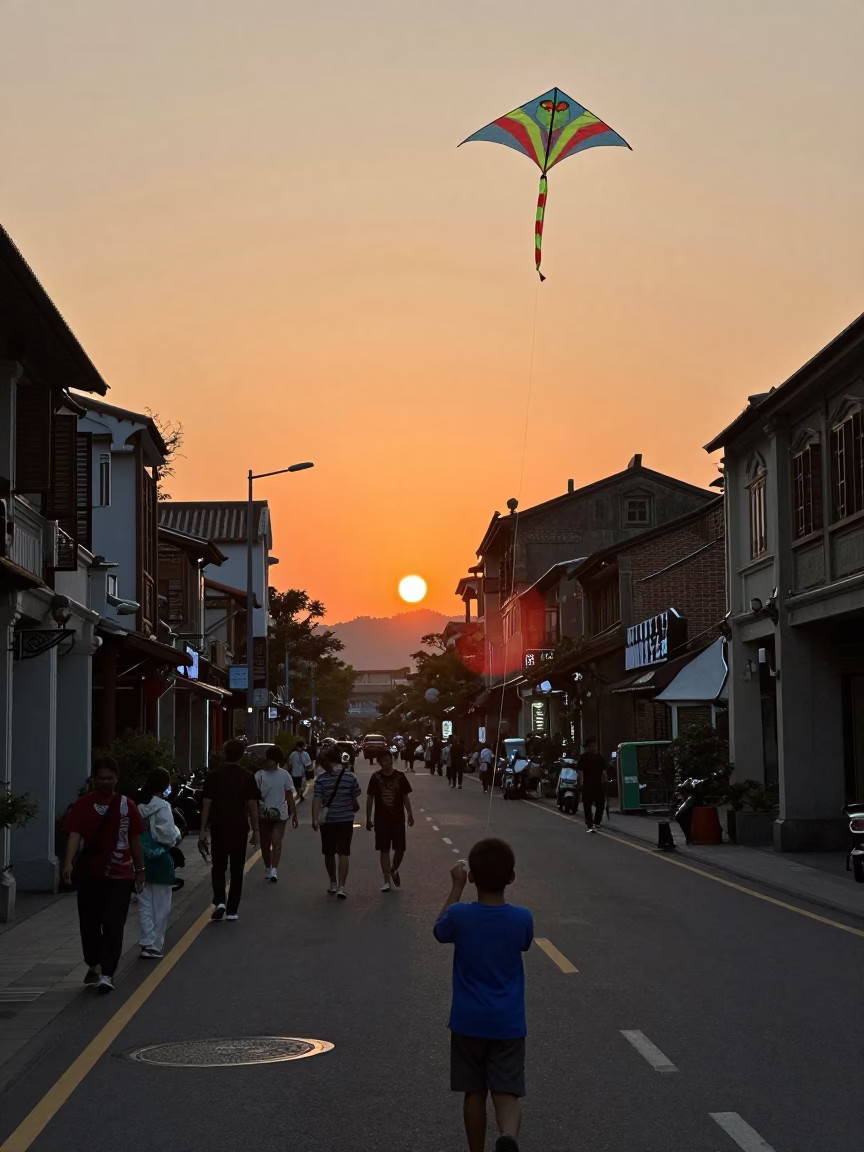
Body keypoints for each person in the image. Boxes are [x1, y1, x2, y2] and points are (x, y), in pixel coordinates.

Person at [433, 839, 533, 1152]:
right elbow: (524, 943)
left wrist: (457, 886)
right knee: (507, 1092)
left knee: (473, 1092)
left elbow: (439, 930)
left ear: (472, 876)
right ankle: (508, 1138)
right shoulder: (522, 918)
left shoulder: (460, 915)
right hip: (508, 1022)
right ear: (512, 877)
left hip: (468, 1021)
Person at [61, 757, 146, 994]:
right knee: (89, 924)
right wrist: (67, 863)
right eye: (101, 778)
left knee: (113, 923)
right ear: (94, 779)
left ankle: (108, 972)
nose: (105, 782)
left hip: (119, 874)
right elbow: (74, 835)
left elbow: (135, 840)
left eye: (109, 777)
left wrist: (140, 871)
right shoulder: (83, 805)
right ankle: (94, 963)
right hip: (89, 873)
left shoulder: (127, 805)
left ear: (117, 779)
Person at [198, 739, 261, 921]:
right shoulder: (247, 776)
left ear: (225, 753)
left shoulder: (214, 776)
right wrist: (256, 830)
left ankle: (219, 901)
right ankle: (232, 910)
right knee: (237, 868)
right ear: (241, 756)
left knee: (218, 866)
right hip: (239, 827)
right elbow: (252, 805)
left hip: (219, 826)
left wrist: (202, 829)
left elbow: (207, 805)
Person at [136, 767, 183, 959]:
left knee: (144, 902)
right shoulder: (162, 806)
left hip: (141, 859)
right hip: (161, 860)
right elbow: (168, 836)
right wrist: (178, 835)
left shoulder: (137, 805)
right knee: (161, 905)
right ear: (165, 786)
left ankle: (146, 942)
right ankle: (155, 945)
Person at [312, 747, 361, 899]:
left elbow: (317, 799)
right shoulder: (350, 777)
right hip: (346, 819)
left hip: (328, 820)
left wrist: (314, 818)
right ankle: (342, 886)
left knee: (329, 852)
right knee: (343, 853)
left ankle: (332, 883)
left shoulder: (321, 779)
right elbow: (355, 799)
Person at [366, 750, 415, 892]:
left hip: (398, 818)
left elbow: (405, 797)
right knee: (384, 849)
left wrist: (410, 814)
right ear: (379, 762)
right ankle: (386, 880)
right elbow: (370, 798)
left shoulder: (400, 776)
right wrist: (368, 817)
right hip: (381, 819)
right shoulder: (375, 777)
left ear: (391, 760)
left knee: (400, 848)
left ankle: (394, 869)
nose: (385, 763)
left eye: (388, 760)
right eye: (383, 761)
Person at [255, 746, 298, 882]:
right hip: (264, 815)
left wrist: (294, 814)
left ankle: (274, 870)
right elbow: (253, 798)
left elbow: (289, 795)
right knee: (265, 843)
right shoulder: (259, 775)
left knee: (276, 841)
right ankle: (268, 867)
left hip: (280, 814)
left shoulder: (285, 775)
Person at [577, 736, 607, 833]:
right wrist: (581, 784)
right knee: (587, 805)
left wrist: (604, 781)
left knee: (601, 804)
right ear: (588, 747)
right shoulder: (583, 757)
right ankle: (589, 823)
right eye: (593, 746)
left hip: (598, 784)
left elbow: (603, 771)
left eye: (595, 746)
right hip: (587, 784)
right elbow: (580, 771)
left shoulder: (600, 758)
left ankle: (597, 822)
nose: (595, 748)